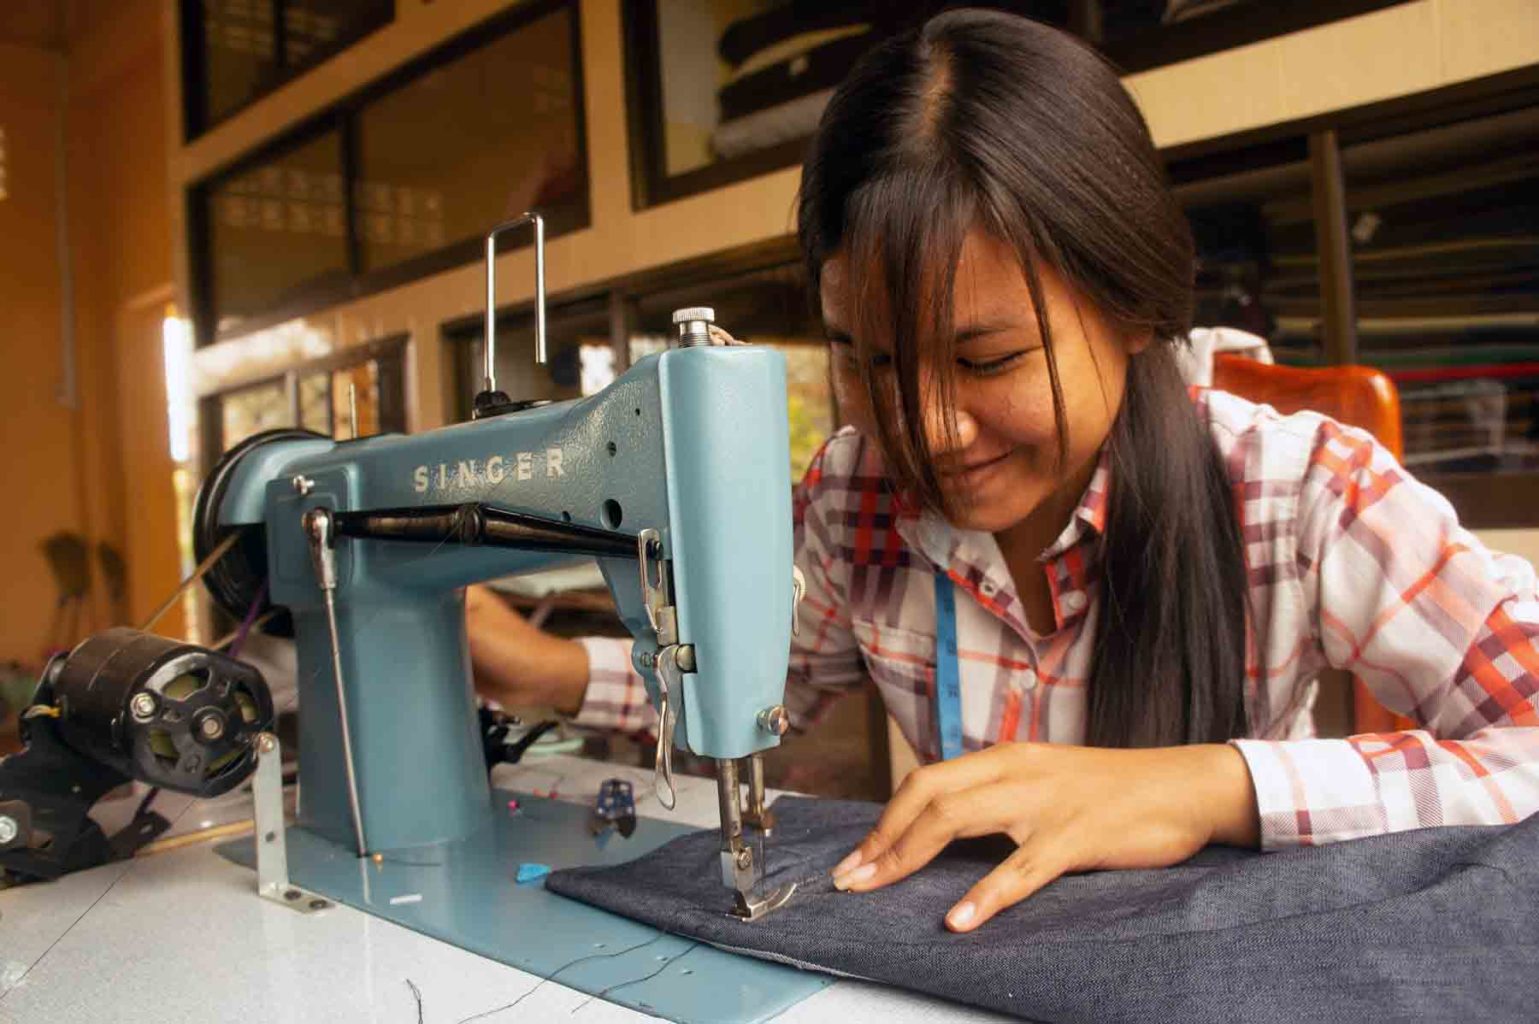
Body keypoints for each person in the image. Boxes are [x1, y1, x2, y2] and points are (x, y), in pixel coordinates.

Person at [468, 8, 1539, 935]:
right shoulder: (853, 502)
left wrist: (1213, 783)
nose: (926, 431)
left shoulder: (1296, 491)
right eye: (868, 360)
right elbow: (763, 692)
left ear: (1131, 305)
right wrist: (534, 669)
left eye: (988, 358)